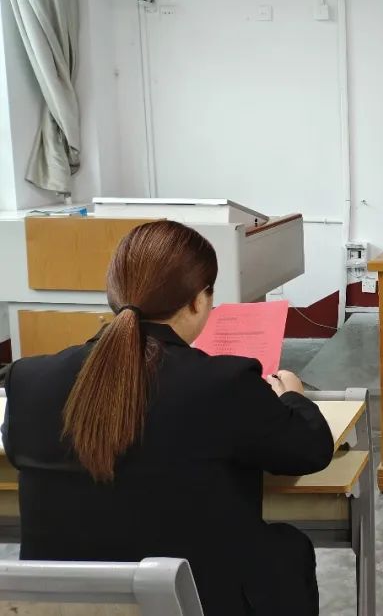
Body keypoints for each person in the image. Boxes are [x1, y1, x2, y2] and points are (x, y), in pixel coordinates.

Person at [2, 220, 334, 615]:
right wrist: (293, 395)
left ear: (114, 293)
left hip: (63, 606)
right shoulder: (223, 383)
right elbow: (309, 451)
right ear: (198, 301)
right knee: (288, 548)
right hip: (198, 601)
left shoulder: (28, 380)